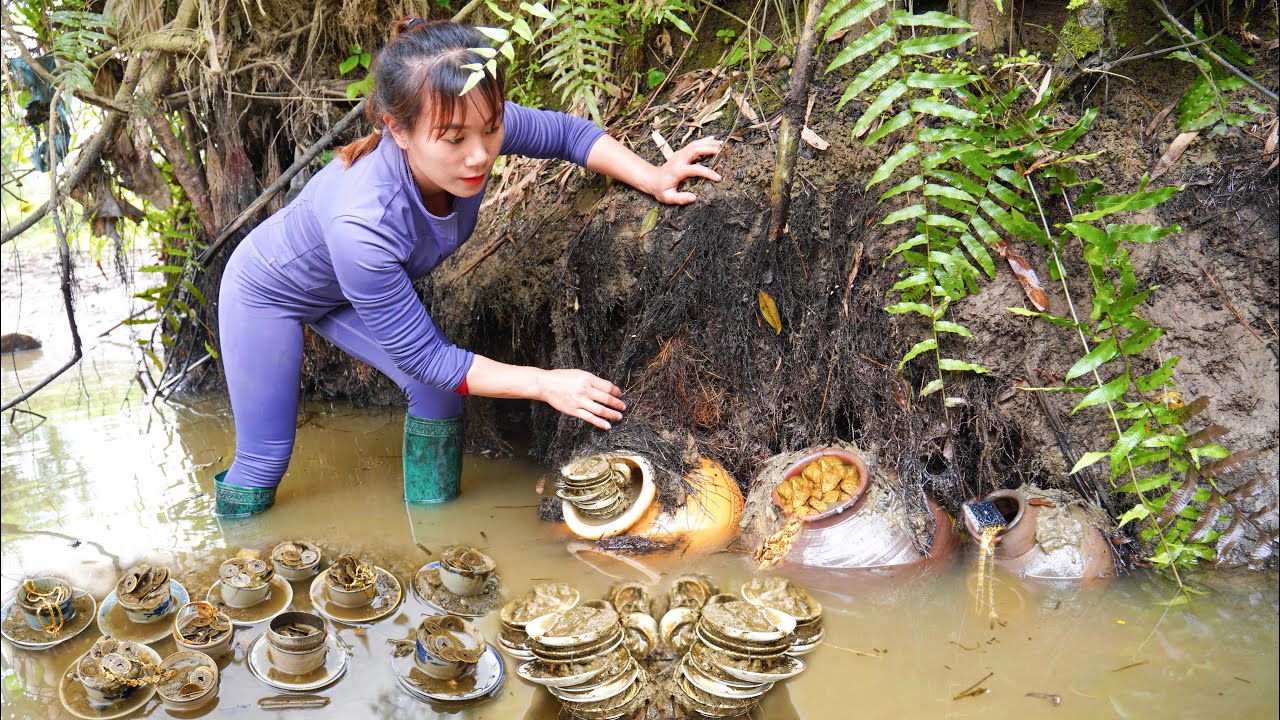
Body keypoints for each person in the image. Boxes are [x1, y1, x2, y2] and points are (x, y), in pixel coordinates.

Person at [212, 18, 721, 516]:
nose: (479, 155)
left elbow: (568, 135)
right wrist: (545, 383)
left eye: (492, 128)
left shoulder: (469, 119)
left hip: (348, 290)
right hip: (268, 293)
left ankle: (436, 545)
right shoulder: (363, 223)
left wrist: (653, 176)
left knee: (436, 397)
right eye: (454, 140)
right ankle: (235, 569)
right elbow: (431, 358)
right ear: (398, 130)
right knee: (264, 460)